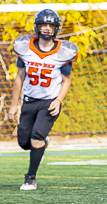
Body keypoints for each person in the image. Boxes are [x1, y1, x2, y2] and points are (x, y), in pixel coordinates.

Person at [9, 10, 78, 191]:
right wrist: (14, 104)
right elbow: (19, 77)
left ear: (56, 29)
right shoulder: (26, 48)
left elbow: (66, 80)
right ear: (37, 27)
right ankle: (42, 143)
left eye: (51, 26)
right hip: (30, 101)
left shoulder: (63, 52)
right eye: (43, 25)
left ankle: (30, 178)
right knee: (24, 142)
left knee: (36, 137)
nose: (47, 29)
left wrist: (58, 100)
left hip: (48, 102)